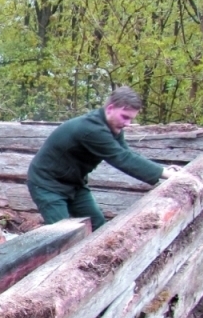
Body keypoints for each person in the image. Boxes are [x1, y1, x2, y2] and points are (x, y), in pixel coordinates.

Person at [26, 86, 181, 231]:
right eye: (125, 117)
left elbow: (128, 154)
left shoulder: (112, 127)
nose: (128, 124)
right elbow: (121, 159)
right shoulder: (91, 129)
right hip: (47, 184)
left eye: (131, 119)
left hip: (74, 184)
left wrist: (165, 171)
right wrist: (164, 174)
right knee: (62, 233)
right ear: (110, 108)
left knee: (97, 223)